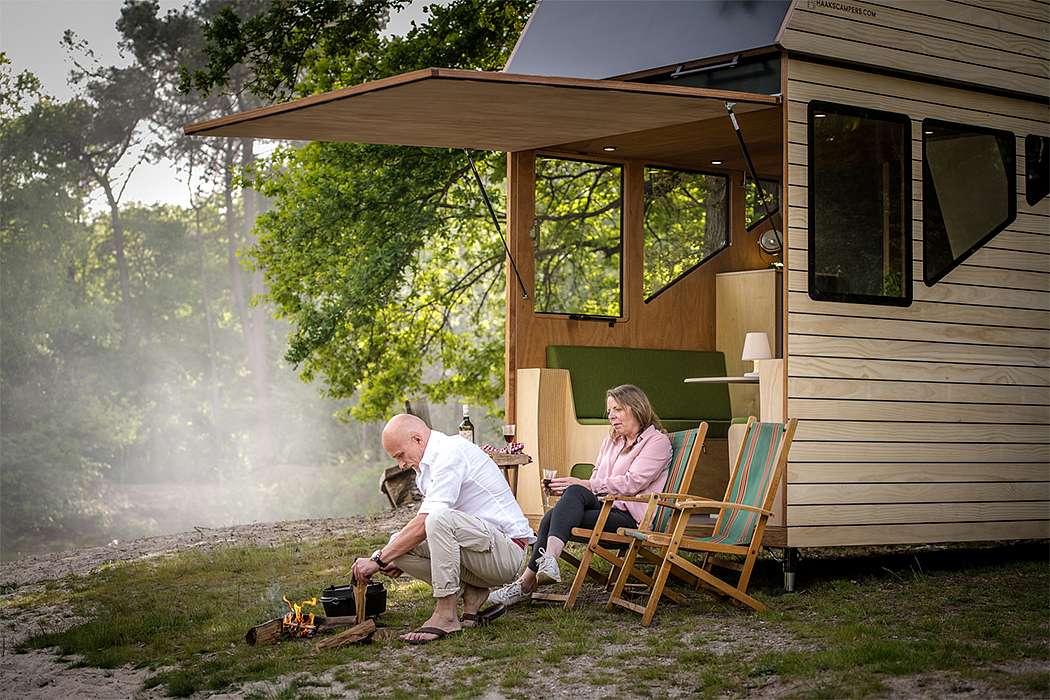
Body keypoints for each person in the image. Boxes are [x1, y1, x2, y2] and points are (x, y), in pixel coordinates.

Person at [351, 413, 534, 644]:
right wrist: (387, 557)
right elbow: (421, 531)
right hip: (480, 551)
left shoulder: (450, 453)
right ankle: (472, 592)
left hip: (508, 552)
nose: (401, 464)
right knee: (398, 544)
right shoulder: (425, 470)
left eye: (400, 455)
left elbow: (427, 522)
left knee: (435, 519)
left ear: (417, 439)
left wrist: (377, 561)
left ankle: (446, 616)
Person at [488, 384, 673, 608]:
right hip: (603, 507)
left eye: (617, 409)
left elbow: (632, 483)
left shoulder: (657, 443)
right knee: (566, 502)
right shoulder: (611, 441)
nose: (611, 416)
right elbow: (596, 477)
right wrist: (567, 489)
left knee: (558, 511)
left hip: (629, 517)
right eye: (609, 411)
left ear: (636, 408)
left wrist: (583, 485)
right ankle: (543, 568)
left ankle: (528, 582)